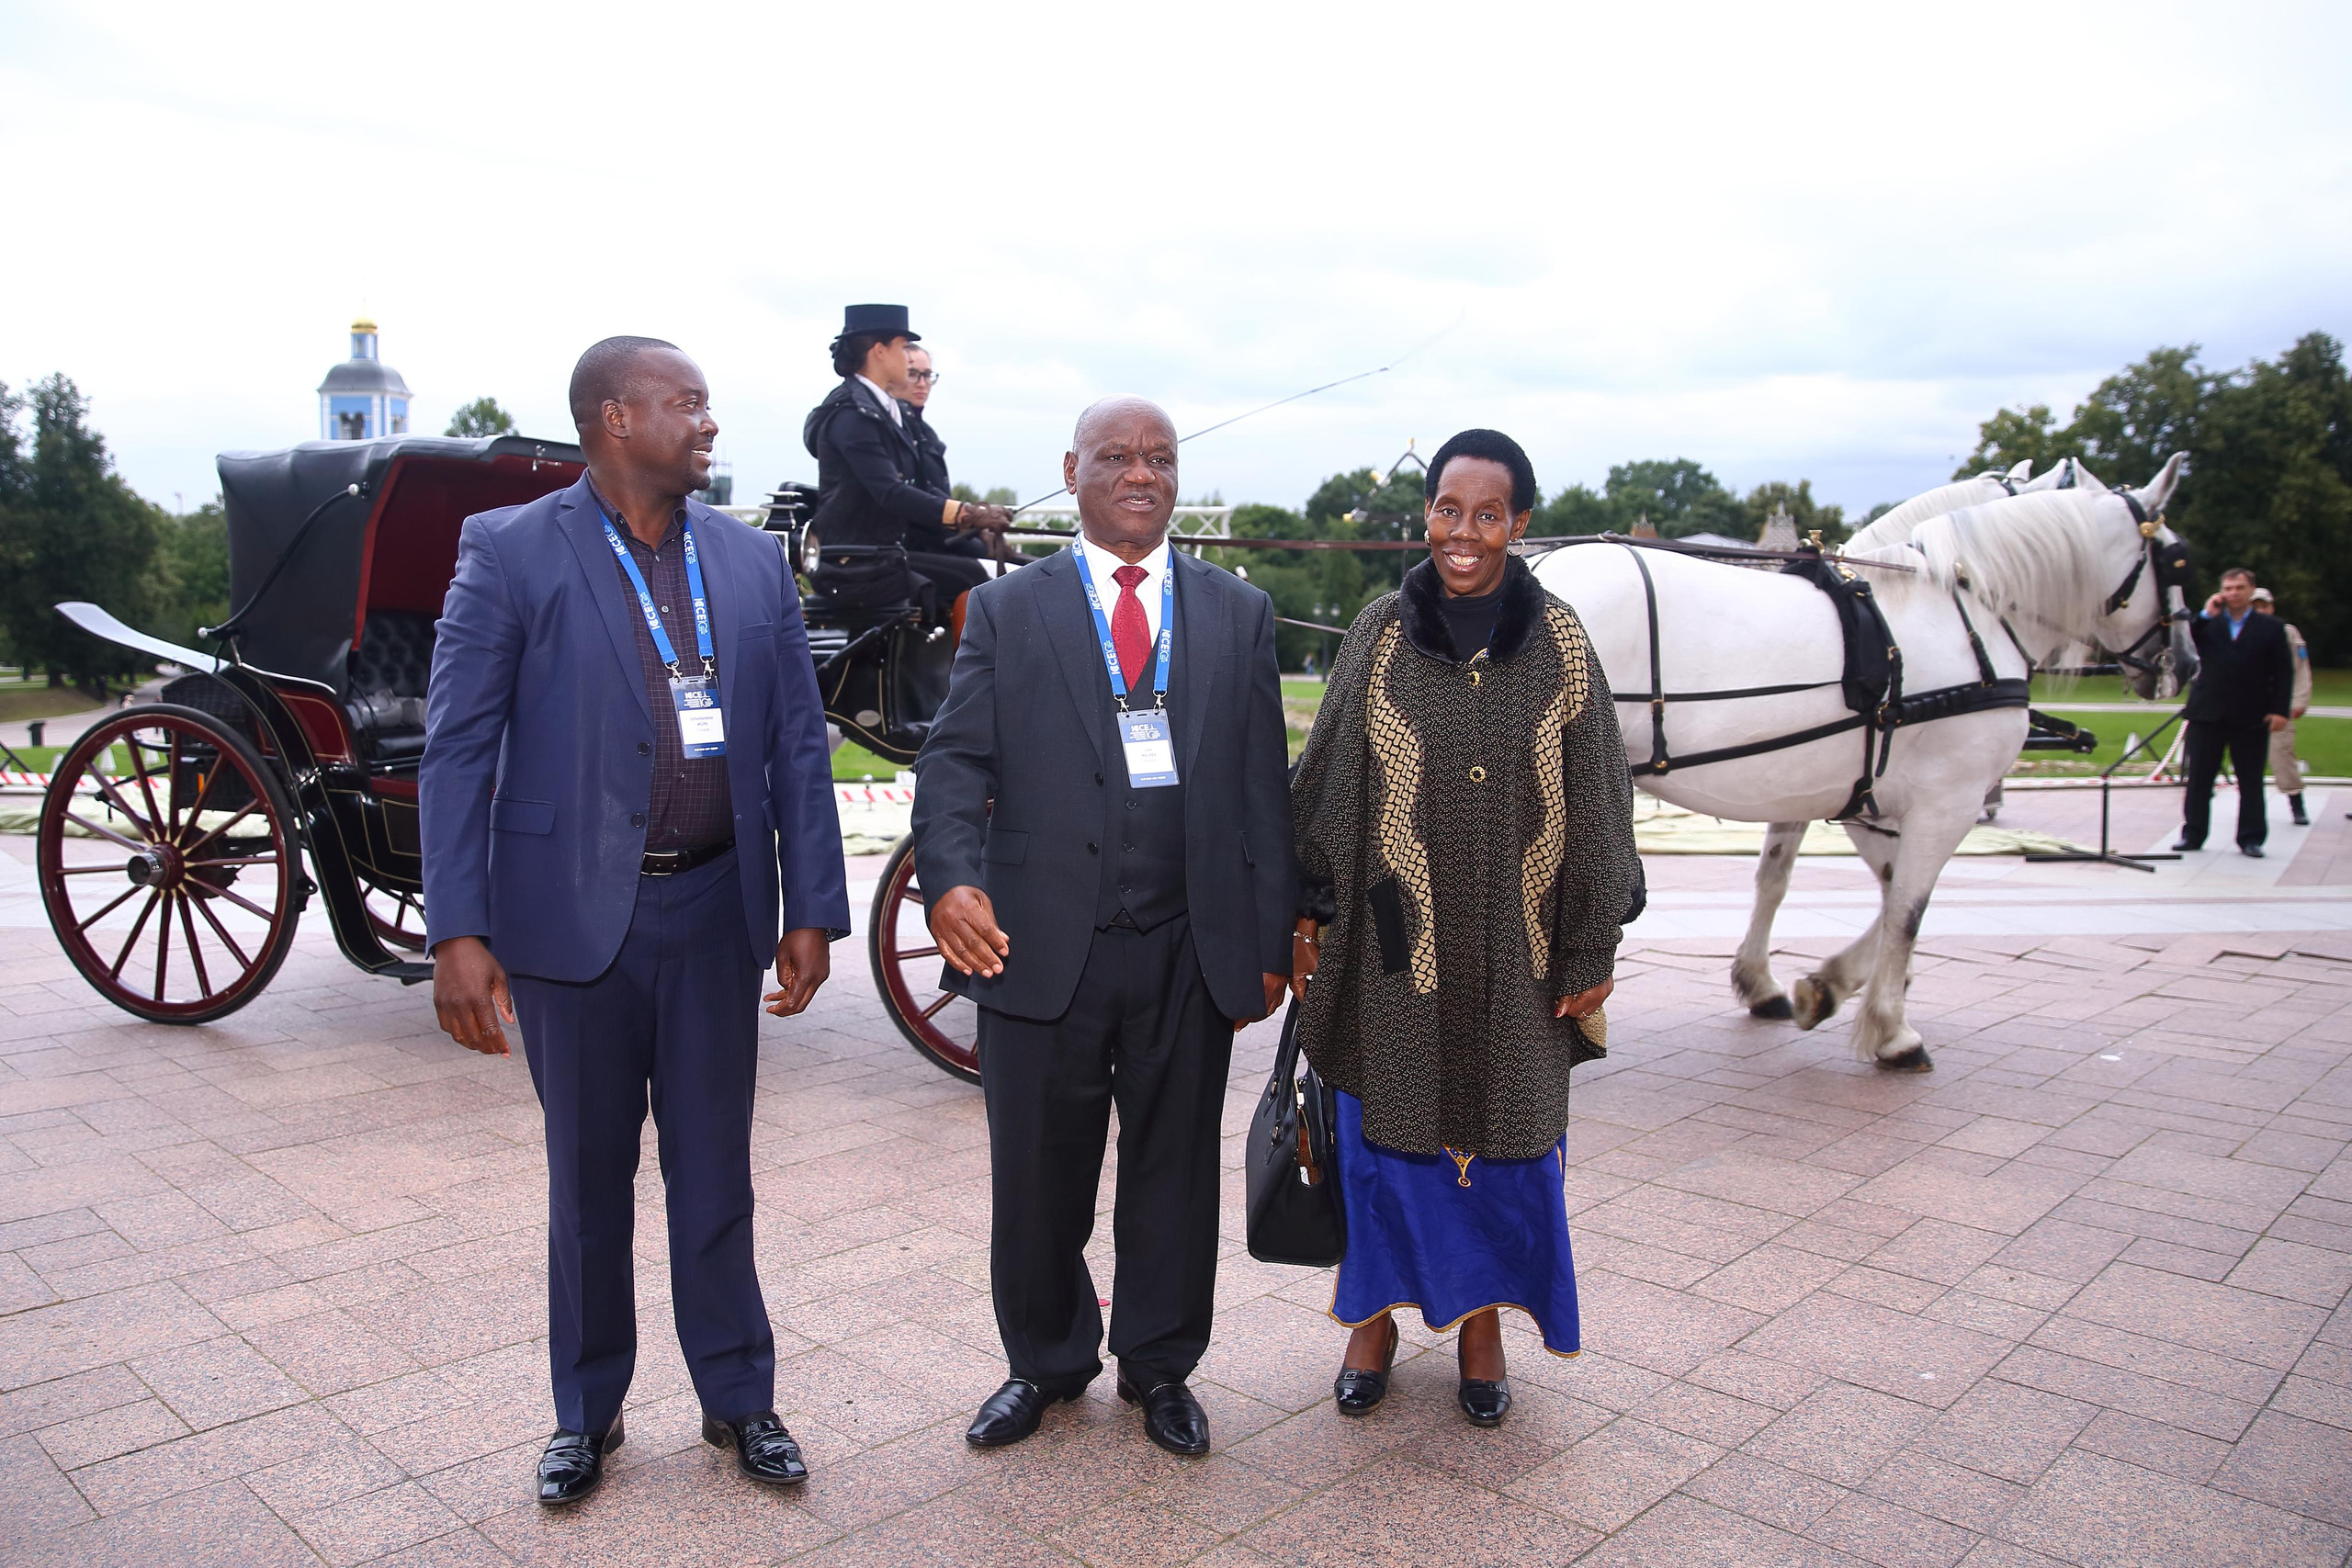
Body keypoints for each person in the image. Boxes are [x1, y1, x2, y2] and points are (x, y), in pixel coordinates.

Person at [421, 336, 849, 1506]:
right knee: (587, 1184)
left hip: (717, 910)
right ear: (616, 419)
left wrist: (811, 904)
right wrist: (457, 930)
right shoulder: (510, 551)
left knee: (717, 1178)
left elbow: (797, 746)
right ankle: (585, 1413)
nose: (708, 425)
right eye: (688, 406)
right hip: (568, 925)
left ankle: (738, 1399)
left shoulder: (753, 562)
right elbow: (457, 748)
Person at [911, 396, 1294, 1457]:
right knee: (1037, 1177)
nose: (1140, 474)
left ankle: (1160, 1369)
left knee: (1174, 1177)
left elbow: (1266, 788)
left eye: (1160, 459)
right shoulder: (1008, 610)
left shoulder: (1235, 612)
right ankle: (1043, 1362)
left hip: (1187, 945)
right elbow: (955, 762)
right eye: (1117, 457)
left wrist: (1268, 943)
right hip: (1041, 948)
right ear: (1071, 469)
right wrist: (947, 878)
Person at [1289, 428, 1640, 1427]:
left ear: (1518, 524)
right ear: (1428, 514)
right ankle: (1374, 1319)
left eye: (1489, 514)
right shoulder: (1380, 631)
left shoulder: (1561, 642)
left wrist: (1591, 946)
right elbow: (1321, 786)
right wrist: (1303, 916)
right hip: (1395, 941)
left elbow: (1601, 802)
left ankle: (1483, 1324)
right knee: (1381, 1144)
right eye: (1449, 509)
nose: (1465, 533)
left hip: (1521, 949)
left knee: (1510, 1150)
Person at [802, 305, 1010, 621]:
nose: (909, 358)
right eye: (904, 348)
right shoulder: (852, 414)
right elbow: (890, 492)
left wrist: (969, 522)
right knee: (986, 580)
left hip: (888, 556)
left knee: (1002, 570)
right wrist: (967, 514)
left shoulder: (886, 410)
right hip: (857, 564)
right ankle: (972, 670)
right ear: (880, 352)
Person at [2175, 566, 2295, 858]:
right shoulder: (2207, 622)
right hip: (2208, 712)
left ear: (2251, 590)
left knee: (2251, 780)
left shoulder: (2272, 627)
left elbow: (2283, 671)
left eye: (2239, 588)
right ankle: (2193, 834)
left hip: (2251, 715)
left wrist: (2280, 710)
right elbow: (2184, 641)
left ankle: (2251, 838)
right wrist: (2205, 614)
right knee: (2199, 778)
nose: (2233, 593)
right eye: (2227, 588)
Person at [2254, 588, 2314, 826]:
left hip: (2277, 705)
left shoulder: (2286, 632)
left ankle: (2296, 802)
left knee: (2282, 754)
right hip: (2246, 704)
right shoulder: (2239, 632)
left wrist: (2299, 700)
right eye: (2255, 606)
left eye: (2264, 606)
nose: (2261, 611)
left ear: (2272, 607)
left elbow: (2301, 668)